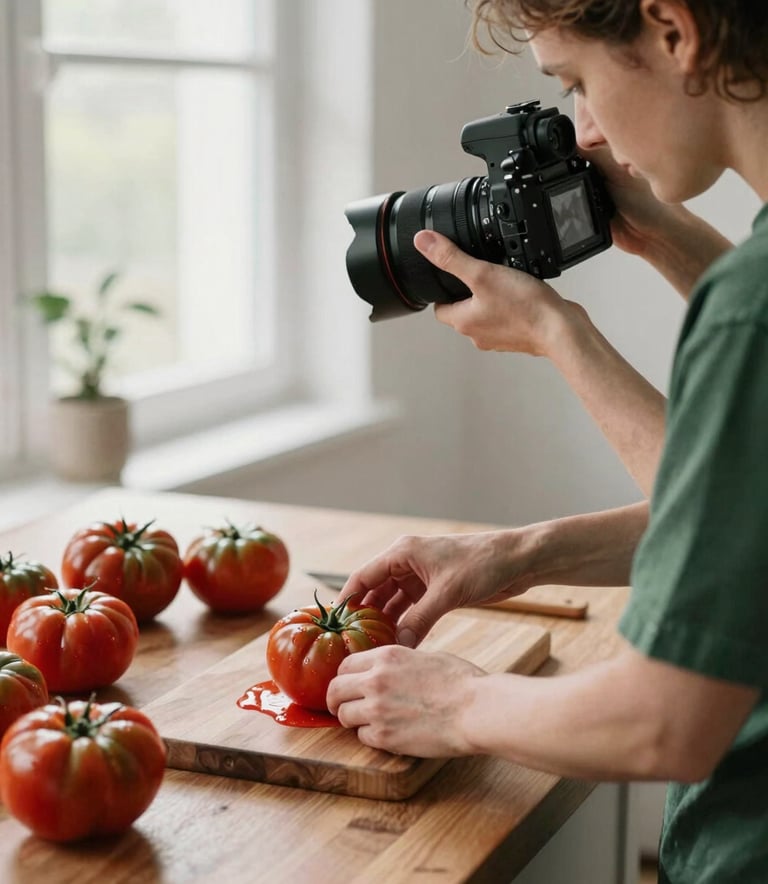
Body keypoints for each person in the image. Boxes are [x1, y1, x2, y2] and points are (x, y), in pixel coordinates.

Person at [326, 2, 768, 881]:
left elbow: (664, 723)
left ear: (673, 31)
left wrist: (459, 704)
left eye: (575, 83)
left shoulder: (749, 308)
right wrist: (523, 551)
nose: (589, 131)